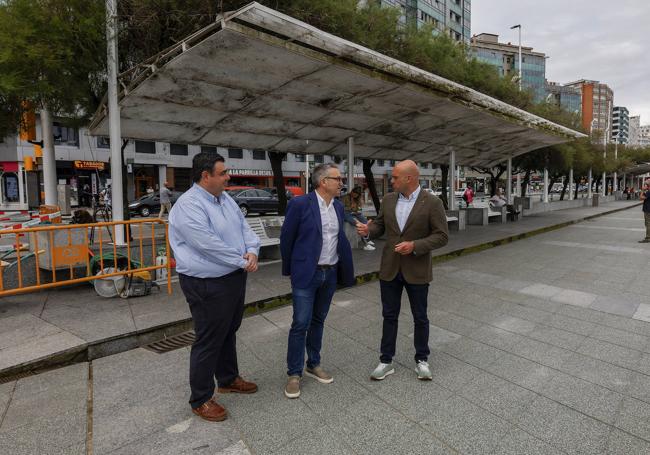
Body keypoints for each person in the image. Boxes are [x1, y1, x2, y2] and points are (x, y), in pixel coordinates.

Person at [168, 151, 261, 422]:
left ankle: (228, 378)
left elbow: (245, 228)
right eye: (223, 173)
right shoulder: (189, 205)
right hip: (206, 282)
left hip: (232, 276)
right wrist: (241, 260)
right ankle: (200, 398)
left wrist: (252, 250)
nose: (228, 176)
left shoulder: (225, 199)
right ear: (205, 175)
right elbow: (206, 243)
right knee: (208, 337)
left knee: (229, 329)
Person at [357, 160, 448, 381]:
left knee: (420, 317)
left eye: (396, 177)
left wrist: (414, 246)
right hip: (390, 268)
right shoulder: (388, 200)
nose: (392, 180)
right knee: (389, 315)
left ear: (410, 178)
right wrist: (368, 230)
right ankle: (386, 361)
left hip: (417, 269)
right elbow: (380, 226)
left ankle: (422, 360)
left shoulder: (432, 202)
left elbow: (442, 236)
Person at [280, 163, 355, 399]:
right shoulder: (300, 204)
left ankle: (313, 363)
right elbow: (287, 238)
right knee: (300, 323)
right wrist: (291, 269)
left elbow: (337, 237)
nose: (341, 182)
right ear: (323, 182)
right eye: (338, 178)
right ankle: (294, 373)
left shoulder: (339, 207)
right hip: (307, 273)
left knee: (318, 320)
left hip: (329, 273)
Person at [342, 186, 375, 251]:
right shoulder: (345, 197)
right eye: (354, 194)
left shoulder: (357, 199)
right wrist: (351, 208)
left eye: (357, 195)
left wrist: (357, 209)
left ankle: (367, 239)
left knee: (365, 221)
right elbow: (341, 208)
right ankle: (365, 244)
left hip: (354, 213)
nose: (355, 195)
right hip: (346, 214)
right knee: (358, 224)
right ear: (352, 192)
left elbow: (358, 208)